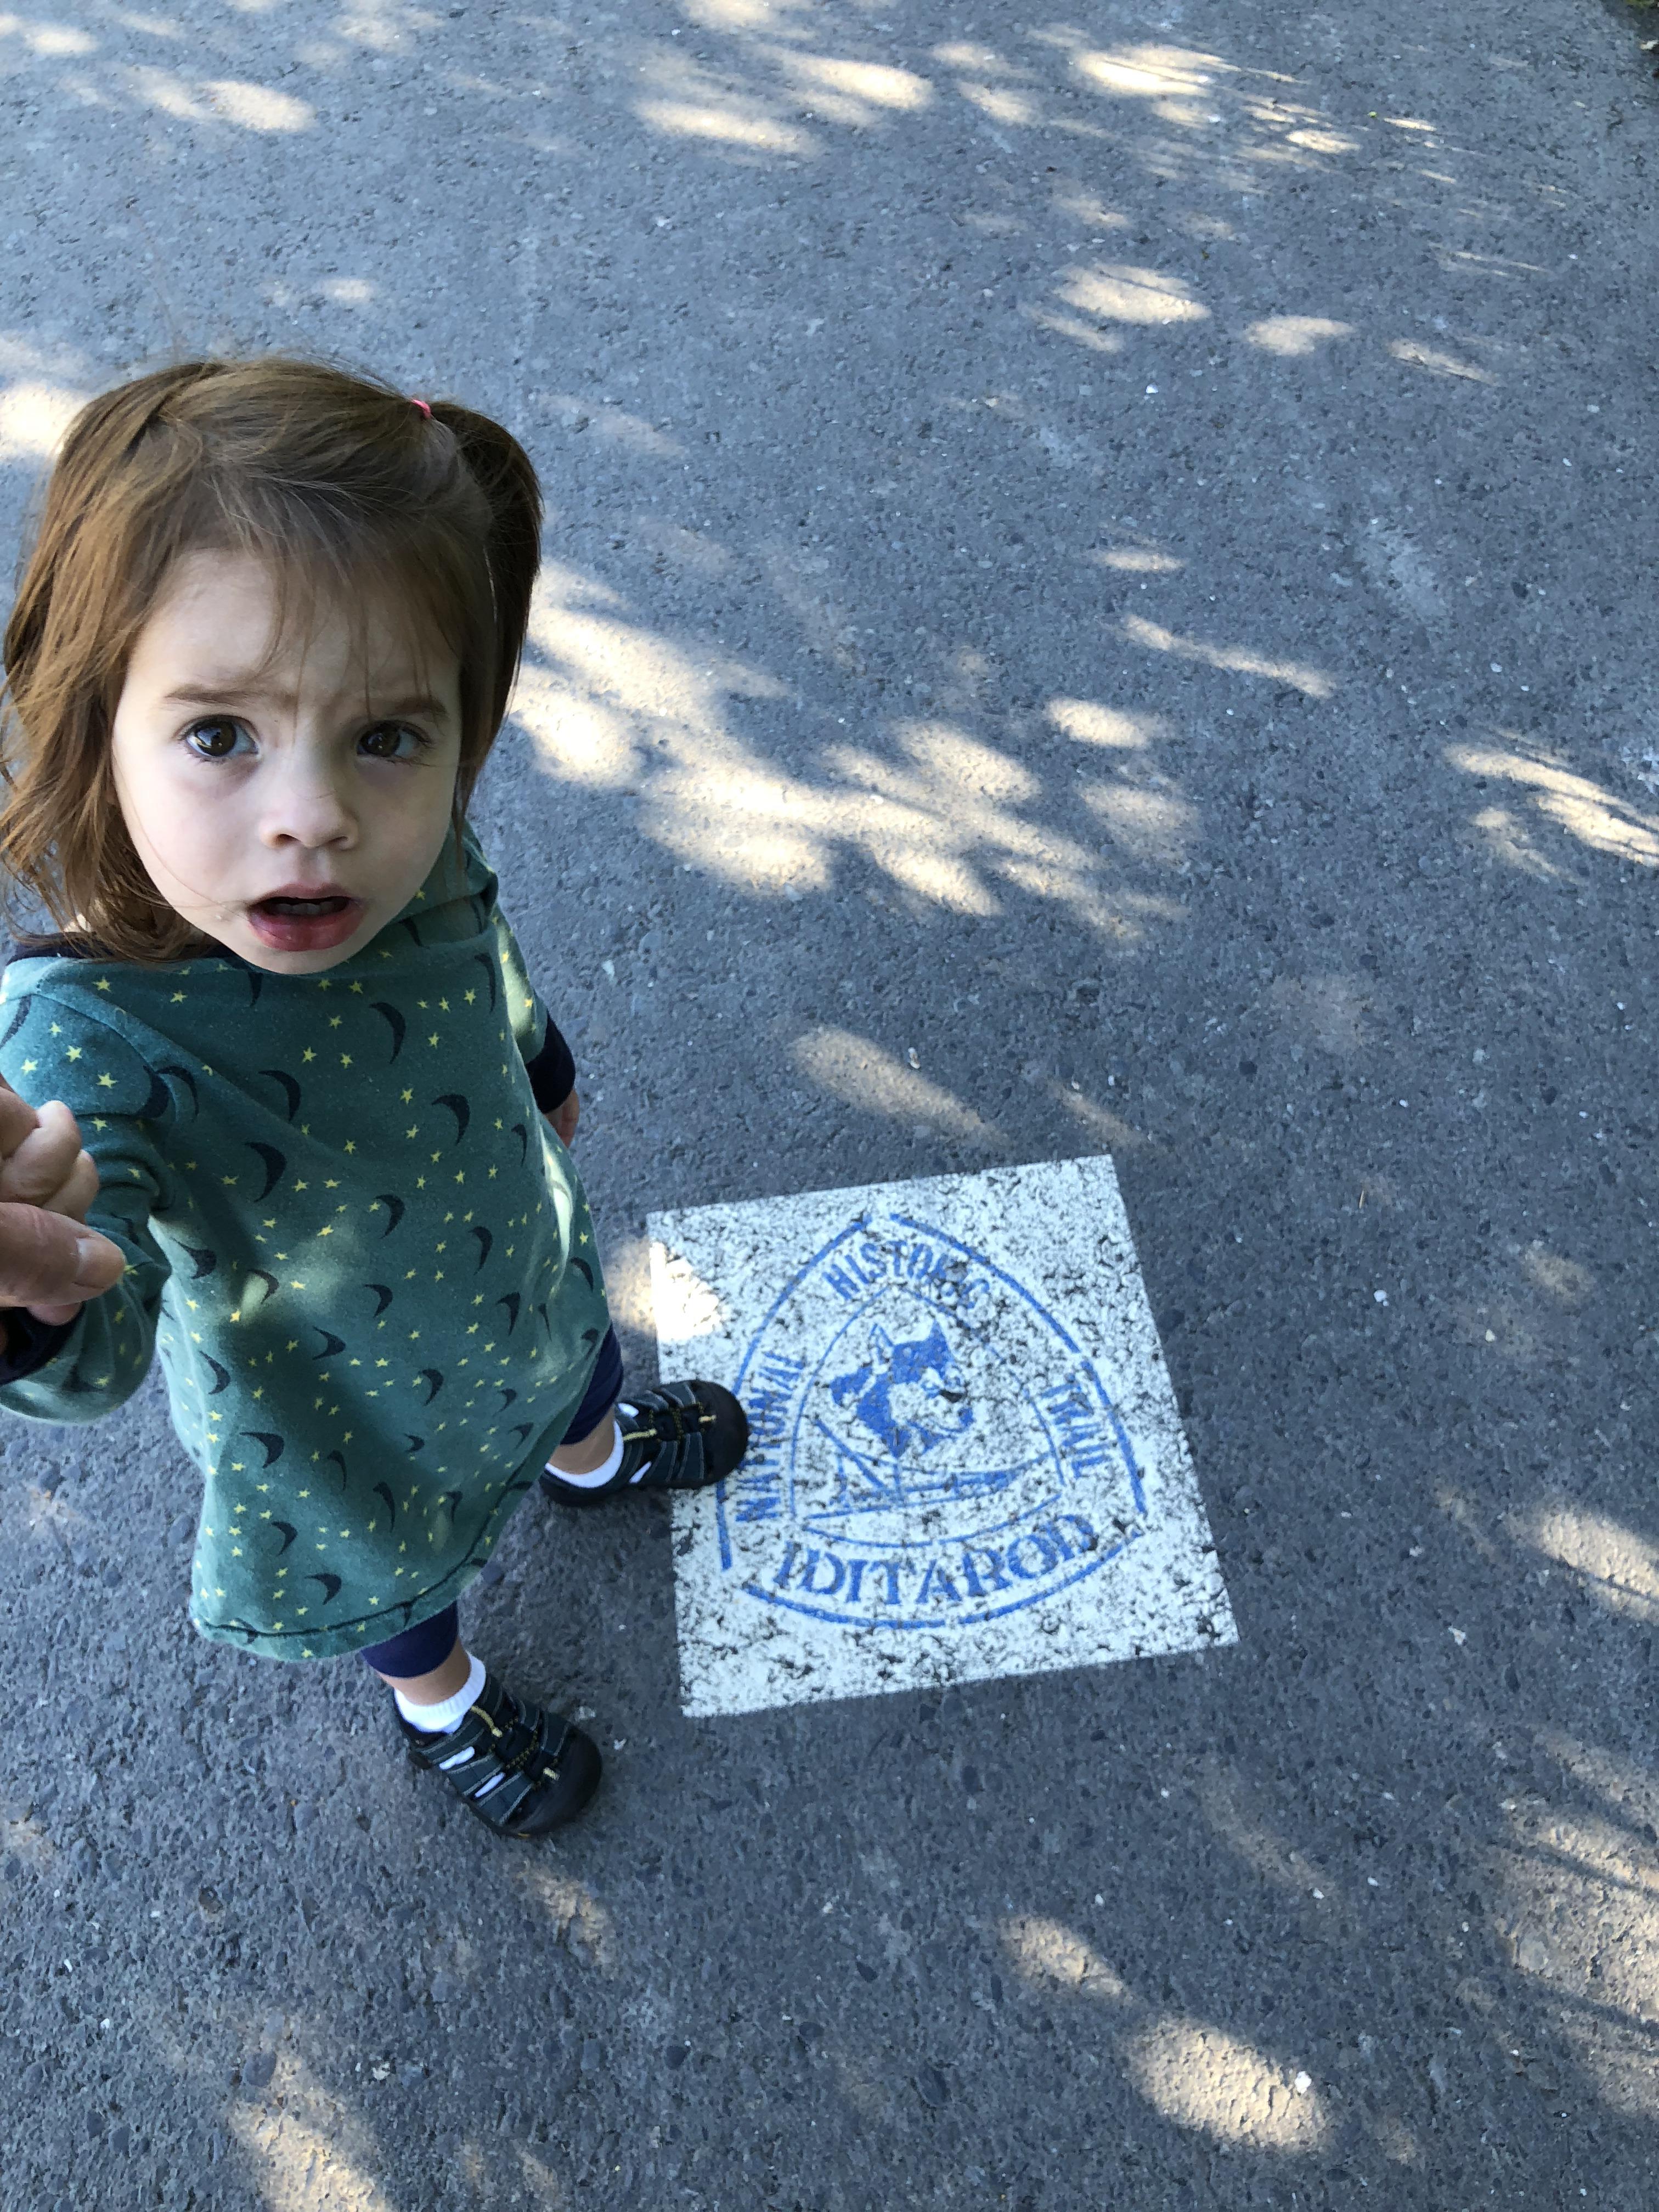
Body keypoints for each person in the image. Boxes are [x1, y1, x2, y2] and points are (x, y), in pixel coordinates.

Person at [0, 358, 748, 1838]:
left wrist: (543, 1063)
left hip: (516, 1273)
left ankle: (594, 1458)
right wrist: (28, 1294)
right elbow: (99, 1333)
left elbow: (483, 953)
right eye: (220, 734)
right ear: (97, 721)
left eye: (388, 735)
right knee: (396, 1587)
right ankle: (444, 1704)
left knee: (580, 1370)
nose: (316, 815)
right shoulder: (85, 1044)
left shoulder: (411, 857)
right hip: (343, 1421)